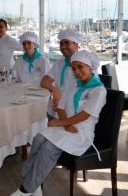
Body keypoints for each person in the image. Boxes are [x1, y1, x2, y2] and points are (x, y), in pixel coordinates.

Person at [10, 50, 106, 196]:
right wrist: (65, 124)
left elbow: (85, 115)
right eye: (74, 68)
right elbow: (60, 106)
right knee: (39, 138)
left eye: (80, 67)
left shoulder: (98, 90)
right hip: (67, 126)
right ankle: (33, 183)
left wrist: (61, 123)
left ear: (90, 67)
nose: (77, 72)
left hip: (81, 132)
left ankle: (26, 189)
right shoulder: (74, 85)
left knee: (49, 148)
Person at [40, 29, 84, 119]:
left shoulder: (86, 65)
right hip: (55, 110)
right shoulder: (60, 63)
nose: (63, 46)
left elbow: (88, 94)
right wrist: (54, 89)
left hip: (74, 113)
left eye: (67, 43)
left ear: (76, 44)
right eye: (61, 43)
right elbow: (44, 81)